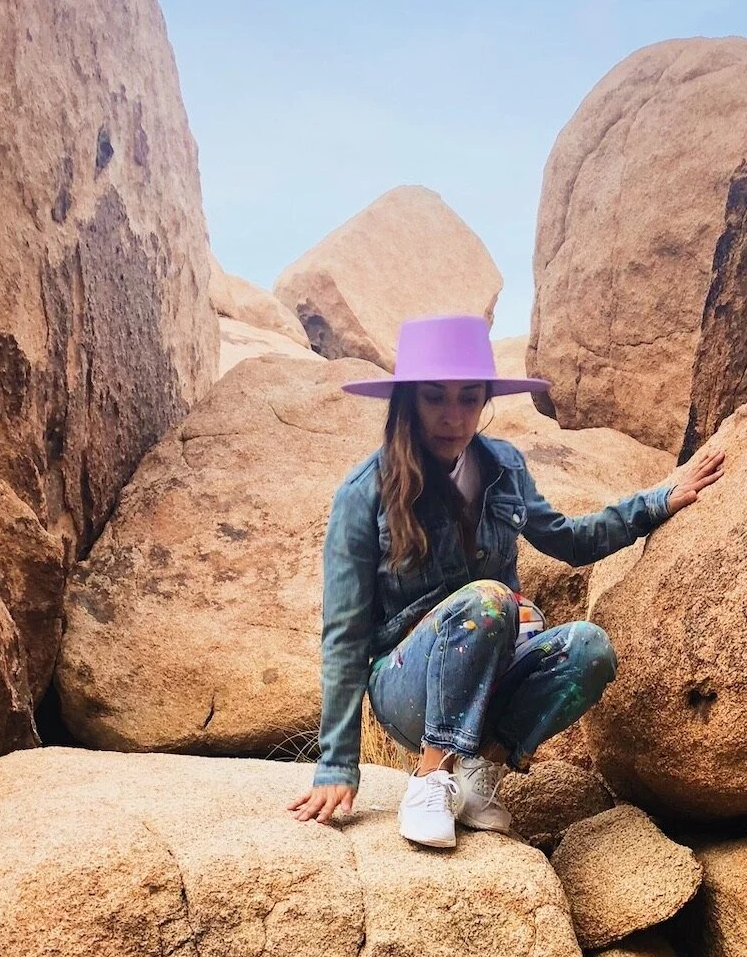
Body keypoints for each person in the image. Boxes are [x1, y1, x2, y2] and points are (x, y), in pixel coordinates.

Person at [288, 314, 724, 847]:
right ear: (407, 402)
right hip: (406, 686)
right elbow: (344, 635)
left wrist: (657, 502)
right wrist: (337, 764)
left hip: (487, 675)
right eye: (435, 398)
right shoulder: (363, 493)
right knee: (491, 600)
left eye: (469, 398)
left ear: (486, 400)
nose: (454, 417)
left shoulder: (504, 468)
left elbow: (569, 539)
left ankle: (477, 773)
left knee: (589, 649)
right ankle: (430, 778)